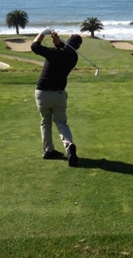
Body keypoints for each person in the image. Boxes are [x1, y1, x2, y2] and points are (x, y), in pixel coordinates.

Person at [30, 28, 82, 167]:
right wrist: (57, 42)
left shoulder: (53, 53)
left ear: (68, 42)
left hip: (43, 93)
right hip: (59, 94)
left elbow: (34, 46)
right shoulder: (73, 58)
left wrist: (43, 33)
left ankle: (49, 151)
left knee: (45, 121)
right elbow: (64, 51)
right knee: (61, 123)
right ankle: (69, 145)